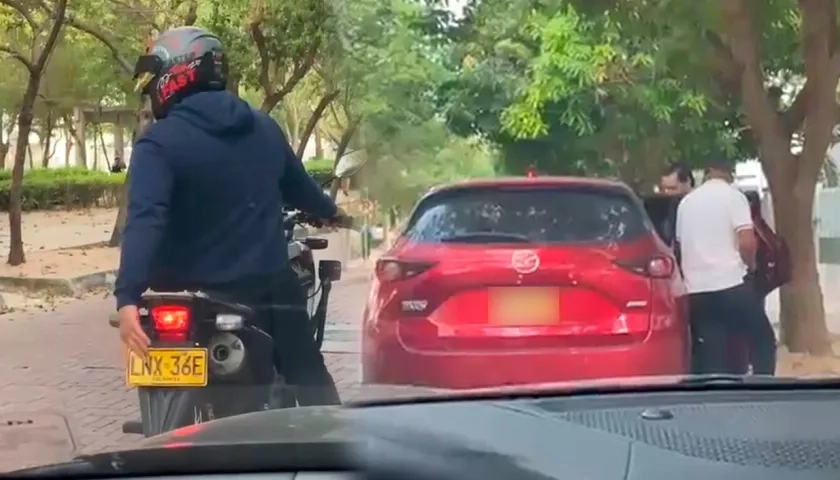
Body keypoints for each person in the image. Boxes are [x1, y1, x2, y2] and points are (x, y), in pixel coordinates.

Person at [115, 26, 345, 405]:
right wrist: (332, 212)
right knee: (306, 370)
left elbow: (145, 220)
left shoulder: (158, 142)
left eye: (155, 77)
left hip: (184, 291)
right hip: (263, 287)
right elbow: (302, 190)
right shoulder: (263, 128)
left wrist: (127, 297)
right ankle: (333, 445)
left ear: (178, 73)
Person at [675, 159, 776, 375]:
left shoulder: (686, 203)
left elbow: (681, 245)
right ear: (729, 173)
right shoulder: (734, 197)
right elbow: (747, 241)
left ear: (707, 171)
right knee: (763, 340)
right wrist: (751, 266)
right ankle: (765, 386)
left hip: (697, 291)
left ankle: (716, 395)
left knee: (714, 350)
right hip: (730, 285)